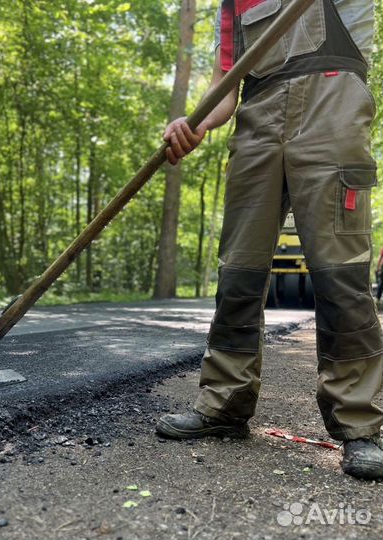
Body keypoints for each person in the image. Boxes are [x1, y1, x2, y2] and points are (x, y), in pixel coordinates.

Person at [156, 0, 383, 480]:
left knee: (340, 274)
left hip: (333, 111)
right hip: (257, 123)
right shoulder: (231, 6)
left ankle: (359, 426)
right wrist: (194, 124)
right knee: (239, 270)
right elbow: (227, 90)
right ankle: (225, 405)